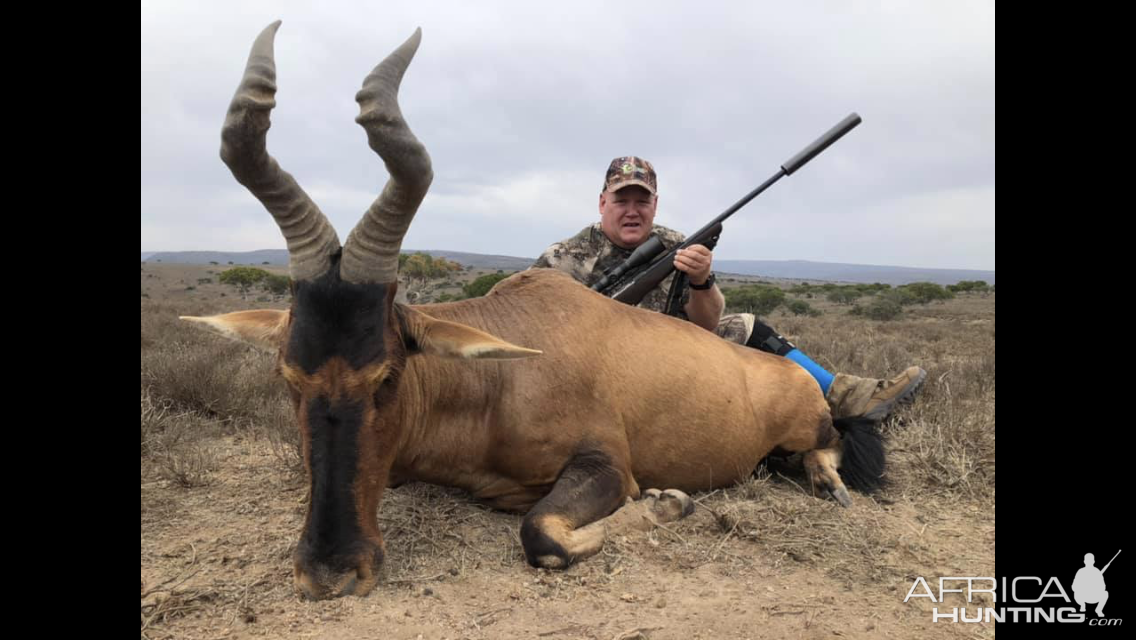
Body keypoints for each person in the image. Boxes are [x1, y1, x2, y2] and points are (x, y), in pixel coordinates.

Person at [531, 156, 925, 420]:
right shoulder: (564, 257)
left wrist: (703, 280)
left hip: (671, 353)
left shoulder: (676, 244)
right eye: (621, 199)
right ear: (602, 203)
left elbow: (706, 323)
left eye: (642, 200)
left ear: (655, 204)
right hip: (597, 369)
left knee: (748, 326)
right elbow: (527, 326)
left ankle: (845, 396)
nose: (632, 209)